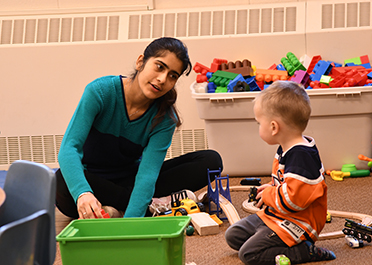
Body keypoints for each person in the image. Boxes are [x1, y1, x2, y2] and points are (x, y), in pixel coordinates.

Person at [55, 37, 222, 220]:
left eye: (172, 76)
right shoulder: (100, 92)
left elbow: (147, 175)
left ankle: (121, 209)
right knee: (61, 180)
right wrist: (83, 193)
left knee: (210, 161)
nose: (162, 79)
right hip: (93, 180)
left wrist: (131, 224)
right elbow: (69, 148)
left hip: (131, 179)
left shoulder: (165, 118)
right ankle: (151, 205)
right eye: (159, 67)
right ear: (141, 62)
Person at [225, 81, 336, 265]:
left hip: (297, 224)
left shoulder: (301, 157)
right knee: (233, 235)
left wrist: (270, 194)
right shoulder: (286, 148)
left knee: (249, 254)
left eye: (259, 123)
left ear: (274, 127)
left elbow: (293, 200)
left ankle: (303, 250)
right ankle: (270, 239)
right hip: (277, 215)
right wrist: (271, 187)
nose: (258, 127)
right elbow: (286, 183)